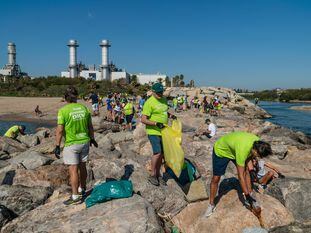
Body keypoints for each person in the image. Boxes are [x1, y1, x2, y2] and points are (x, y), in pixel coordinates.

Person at [204, 131, 272, 217]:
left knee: (247, 171)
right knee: (216, 178)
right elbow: (240, 176)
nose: (258, 157)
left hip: (235, 149)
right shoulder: (243, 150)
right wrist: (246, 195)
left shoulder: (258, 143)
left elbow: (249, 157)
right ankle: (211, 204)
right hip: (222, 151)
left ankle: (250, 195)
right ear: (255, 150)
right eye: (258, 155)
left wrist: (251, 171)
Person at [54, 86, 98, 206]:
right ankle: (82, 189)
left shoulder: (63, 111)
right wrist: (92, 139)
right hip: (84, 142)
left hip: (71, 144)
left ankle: (75, 196)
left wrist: (57, 145)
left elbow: (59, 130)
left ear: (65, 98)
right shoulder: (84, 108)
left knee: (73, 170)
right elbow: (90, 126)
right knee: (82, 166)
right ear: (76, 97)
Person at [141, 82, 176, 186]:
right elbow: (143, 119)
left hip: (163, 131)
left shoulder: (164, 99)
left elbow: (164, 111)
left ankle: (158, 174)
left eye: (161, 92)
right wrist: (156, 123)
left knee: (162, 154)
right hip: (153, 131)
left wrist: (171, 116)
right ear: (153, 92)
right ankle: (152, 175)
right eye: (158, 93)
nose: (160, 94)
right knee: (157, 152)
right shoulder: (149, 102)